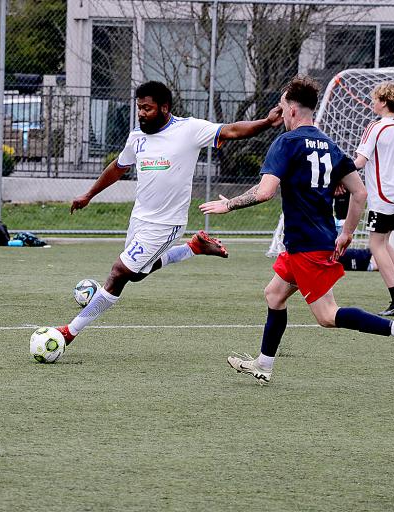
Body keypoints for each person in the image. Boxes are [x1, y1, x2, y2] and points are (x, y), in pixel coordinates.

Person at [200, 75, 394, 385]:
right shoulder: (329, 143)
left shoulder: (286, 142)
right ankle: (264, 365)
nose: (280, 115)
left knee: (327, 316)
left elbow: (266, 191)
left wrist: (229, 205)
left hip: (309, 245)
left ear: (292, 111)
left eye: (282, 108)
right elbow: (359, 193)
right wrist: (347, 232)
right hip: (306, 242)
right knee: (274, 294)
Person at [55, 80, 284, 345]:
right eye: (139, 108)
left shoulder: (189, 129)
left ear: (164, 108)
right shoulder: (136, 137)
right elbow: (119, 167)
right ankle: (194, 247)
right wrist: (89, 194)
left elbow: (232, 130)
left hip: (166, 224)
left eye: (147, 108)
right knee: (137, 274)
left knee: (119, 273)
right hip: (140, 218)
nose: (141, 113)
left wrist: (267, 122)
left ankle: (69, 332)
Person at [353, 81, 394, 316]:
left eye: (375, 99)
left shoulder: (376, 127)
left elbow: (360, 162)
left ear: (383, 102)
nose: (372, 102)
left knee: (375, 244)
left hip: (383, 194)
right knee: (384, 241)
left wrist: (338, 173)